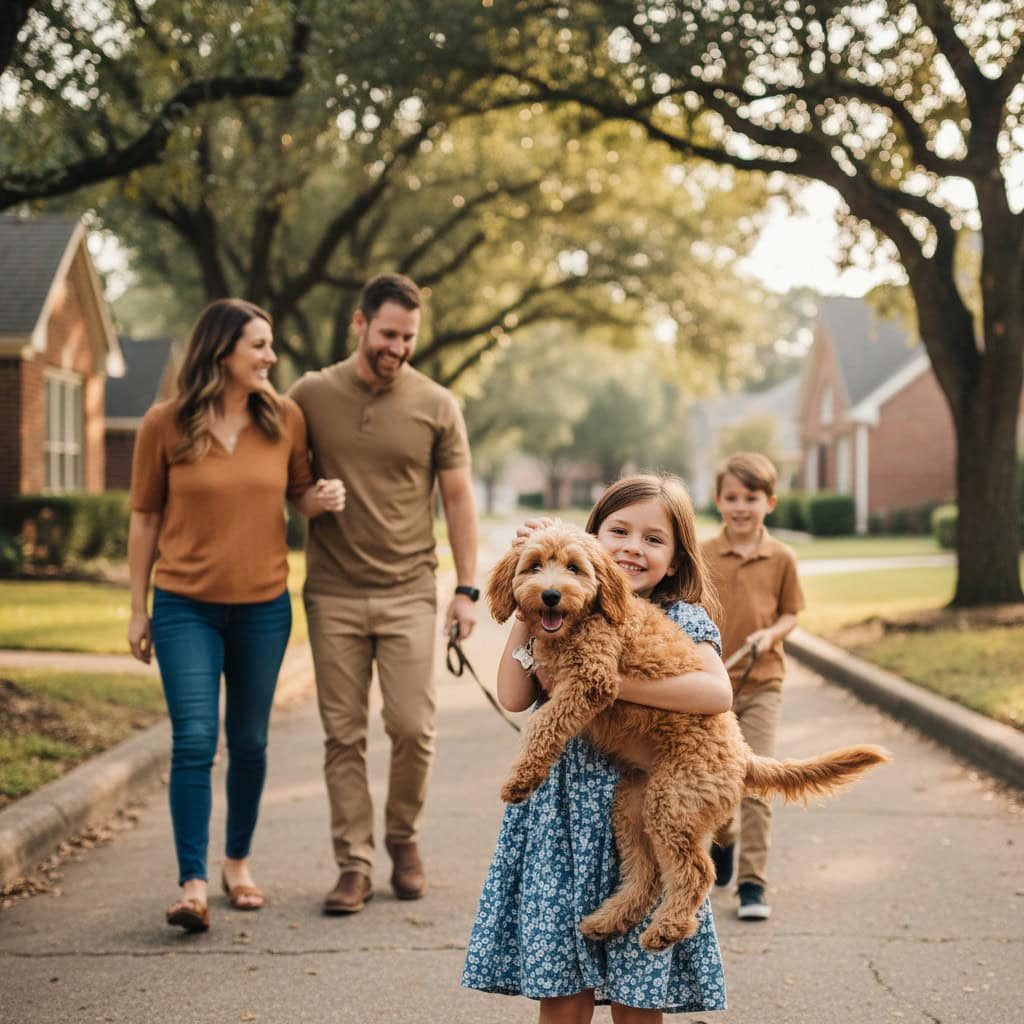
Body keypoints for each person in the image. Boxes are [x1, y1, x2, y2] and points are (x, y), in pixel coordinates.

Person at [463, 474, 734, 1022]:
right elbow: (515, 698)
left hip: (644, 795)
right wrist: (528, 603)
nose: (634, 547)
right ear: (592, 538)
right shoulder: (551, 617)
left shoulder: (683, 617)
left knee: (638, 996)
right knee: (561, 992)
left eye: (654, 539)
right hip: (560, 819)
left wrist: (608, 682)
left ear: (678, 558)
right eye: (619, 531)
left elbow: (716, 692)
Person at [128, 298, 345, 933]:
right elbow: (143, 518)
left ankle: (237, 861)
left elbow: (298, 492)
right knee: (194, 740)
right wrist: (137, 608)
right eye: (258, 345)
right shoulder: (163, 424)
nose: (270, 357)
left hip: (262, 608)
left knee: (249, 741)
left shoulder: (285, 418)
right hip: (182, 606)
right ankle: (192, 882)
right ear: (220, 350)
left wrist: (318, 498)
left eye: (270, 345)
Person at [288, 273, 479, 915]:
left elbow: (457, 499)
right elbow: (284, 480)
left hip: (408, 590)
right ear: (359, 323)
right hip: (334, 593)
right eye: (388, 333)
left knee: (412, 727)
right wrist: (307, 500)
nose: (397, 347)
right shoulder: (310, 395)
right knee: (342, 734)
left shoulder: (436, 404)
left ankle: (402, 838)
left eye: (408, 337)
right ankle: (353, 864)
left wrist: (467, 590)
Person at [701, 452, 805, 923]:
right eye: (732, 497)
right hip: (708, 685)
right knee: (718, 784)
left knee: (758, 777)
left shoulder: (782, 557)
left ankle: (751, 881)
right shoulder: (701, 554)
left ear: (771, 502)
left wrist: (772, 634)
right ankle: (723, 843)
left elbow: (791, 613)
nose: (741, 506)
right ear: (718, 501)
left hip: (763, 683)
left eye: (752, 497)